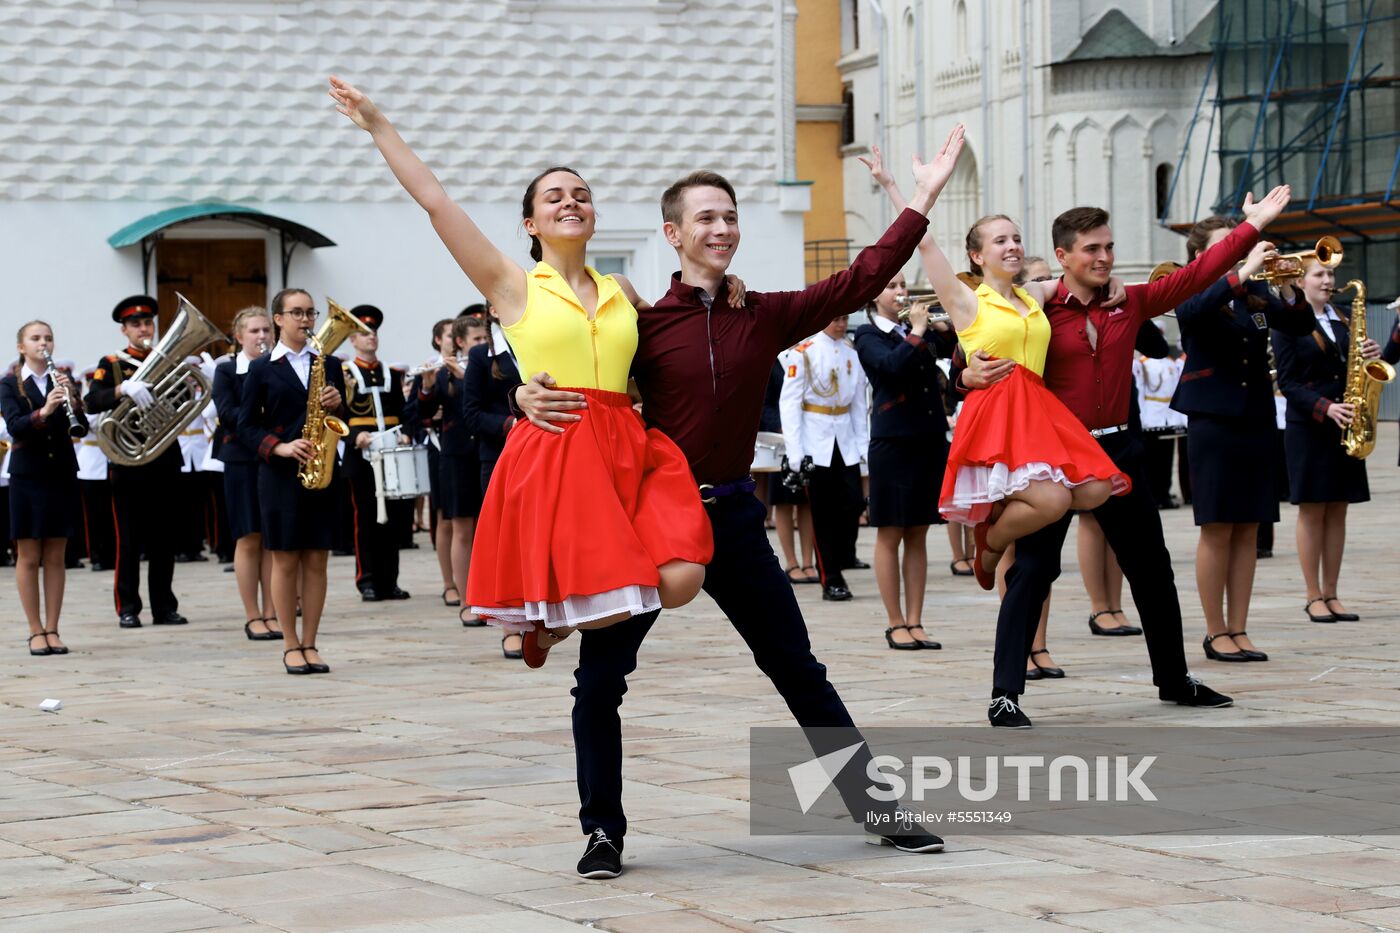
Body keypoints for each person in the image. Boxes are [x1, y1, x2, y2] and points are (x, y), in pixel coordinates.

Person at [515, 145, 961, 875]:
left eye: (729, 216)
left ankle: (877, 809)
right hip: (656, 520)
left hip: (734, 516)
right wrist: (520, 393)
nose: (721, 228)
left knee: (796, 666)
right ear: (673, 234)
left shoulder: (764, 315)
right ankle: (603, 831)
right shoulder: (640, 322)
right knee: (602, 679)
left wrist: (922, 197)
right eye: (705, 218)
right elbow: (574, 373)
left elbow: (862, 277)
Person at [330, 76, 713, 670]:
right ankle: (551, 628)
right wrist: (379, 126)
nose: (570, 201)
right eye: (554, 196)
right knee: (605, 605)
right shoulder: (512, 286)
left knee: (683, 577)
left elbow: (673, 344)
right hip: (562, 446)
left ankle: (556, 627)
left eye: (581, 194)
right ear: (531, 223)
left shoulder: (624, 291)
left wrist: (727, 288)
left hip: (627, 443)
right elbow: (438, 203)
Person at [961, 185, 1293, 726]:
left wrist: (1250, 227)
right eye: (1091, 249)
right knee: (1034, 571)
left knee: (1153, 569)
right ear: (1063, 256)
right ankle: (1005, 693)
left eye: (1109, 247)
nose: (1104, 258)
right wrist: (963, 374)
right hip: (1054, 455)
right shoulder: (1034, 306)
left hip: (1118, 448)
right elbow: (974, 348)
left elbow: (1197, 275)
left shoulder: (1130, 300)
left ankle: (1174, 679)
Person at [863, 137, 1127, 598]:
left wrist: (1114, 277)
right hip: (1000, 415)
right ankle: (991, 542)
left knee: (1097, 490)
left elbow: (1080, 275)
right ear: (977, 256)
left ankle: (997, 531)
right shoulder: (967, 301)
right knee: (1053, 499)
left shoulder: (1035, 295)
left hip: (1041, 413)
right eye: (1000, 240)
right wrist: (896, 186)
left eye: (1017, 238)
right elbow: (922, 243)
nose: (1013, 246)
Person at [1171, 216, 1314, 662]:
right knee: (1217, 526)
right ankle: (1215, 631)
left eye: (1238, 245)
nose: (1235, 252)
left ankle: (1240, 627)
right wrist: (1244, 267)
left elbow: (1298, 323)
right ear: (1200, 256)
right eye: (1226, 246)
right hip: (1213, 419)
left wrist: (1289, 287)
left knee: (1249, 525)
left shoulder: (1253, 292)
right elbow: (1193, 315)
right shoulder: (1191, 289)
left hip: (1255, 418)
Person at [238, 287, 347, 675]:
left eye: (310, 313)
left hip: (321, 470)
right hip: (281, 476)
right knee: (284, 560)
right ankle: (289, 643)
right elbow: (245, 425)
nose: (305, 320)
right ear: (278, 320)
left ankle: (311, 643)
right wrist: (279, 447)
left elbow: (344, 418)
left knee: (317, 559)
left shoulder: (329, 364)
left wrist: (338, 405)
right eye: (296, 313)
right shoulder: (261, 368)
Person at [1273, 255, 1386, 625]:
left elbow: (1353, 366)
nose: (1327, 279)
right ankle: (1312, 595)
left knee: (1338, 508)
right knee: (1312, 509)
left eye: (1330, 273)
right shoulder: (1289, 322)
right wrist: (1326, 407)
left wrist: (1371, 353)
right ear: (1301, 282)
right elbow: (1286, 382)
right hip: (1310, 426)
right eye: (1319, 274)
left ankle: (1333, 592)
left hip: (1346, 424)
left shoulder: (1344, 318)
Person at [853, 272, 949, 649]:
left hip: (927, 438)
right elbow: (892, 367)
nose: (901, 293)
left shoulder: (918, 328)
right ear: (874, 295)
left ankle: (916, 620)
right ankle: (895, 622)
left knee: (919, 531)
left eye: (903, 286)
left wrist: (938, 328)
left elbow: (951, 348)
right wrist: (918, 331)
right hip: (892, 443)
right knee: (891, 531)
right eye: (892, 287)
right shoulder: (867, 334)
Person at [84, 296, 189, 629]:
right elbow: (91, 402)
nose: (144, 329)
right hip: (127, 462)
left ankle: (164, 607)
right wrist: (122, 390)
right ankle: (128, 607)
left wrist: (183, 381)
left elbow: (184, 400)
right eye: (136, 324)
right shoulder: (112, 363)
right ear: (124, 330)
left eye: (147, 323)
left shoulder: (168, 359)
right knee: (128, 540)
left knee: (164, 540)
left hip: (163, 458)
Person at [2, 321, 83, 656]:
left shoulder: (63, 379)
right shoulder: (9, 384)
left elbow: (81, 426)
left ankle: (53, 628)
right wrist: (45, 409)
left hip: (61, 472)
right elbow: (16, 428)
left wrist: (73, 400)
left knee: (55, 554)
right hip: (27, 475)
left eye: (48, 338)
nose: (43, 343)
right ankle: (35, 630)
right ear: (22, 347)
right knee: (28, 554)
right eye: (35, 338)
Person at [779, 314, 868, 602]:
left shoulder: (851, 353)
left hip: (844, 439)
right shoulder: (803, 353)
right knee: (822, 513)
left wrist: (864, 445)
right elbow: (790, 404)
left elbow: (858, 403)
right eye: (835, 319)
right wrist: (795, 452)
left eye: (844, 319)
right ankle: (830, 576)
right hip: (814, 441)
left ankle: (838, 557)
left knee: (854, 503)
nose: (841, 325)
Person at [211, 307, 279, 641]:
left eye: (266, 330)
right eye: (254, 331)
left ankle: (273, 611)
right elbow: (227, 413)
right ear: (239, 336)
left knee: (271, 537)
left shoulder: (277, 367)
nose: (262, 336)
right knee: (248, 535)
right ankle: (253, 615)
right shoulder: (226, 371)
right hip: (241, 458)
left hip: (274, 459)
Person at [341, 303, 415, 602]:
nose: (370, 337)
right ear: (352, 340)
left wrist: (408, 430)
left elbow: (405, 410)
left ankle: (390, 581)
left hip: (391, 454)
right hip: (362, 457)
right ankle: (367, 580)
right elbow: (338, 416)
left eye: (373, 332)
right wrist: (356, 436)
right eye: (363, 332)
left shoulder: (392, 374)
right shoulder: (344, 373)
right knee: (366, 520)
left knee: (393, 520)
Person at [462, 306, 523, 657]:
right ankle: (511, 626)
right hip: (499, 455)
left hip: (543, 451)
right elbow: (471, 413)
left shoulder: (540, 338)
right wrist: (511, 425)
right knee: (506, 542)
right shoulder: (481, 354)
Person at [421, 315, 488, 626]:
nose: (482, 344)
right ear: (460, 342)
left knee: (489, 529)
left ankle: (490, 595)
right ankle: (465, 599)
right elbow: (422, 413)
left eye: (483, 338)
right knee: (462, 528)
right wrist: (426, 386)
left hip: (486, 453)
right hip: (456, 455)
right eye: (475, 340)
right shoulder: (446, 373)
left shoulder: (491, 366)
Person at [412, 318, 457, 606]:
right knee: (445, 517)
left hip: (469, 448)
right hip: (441, 449)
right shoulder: (432, 368)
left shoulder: (471, 365)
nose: (456, 339)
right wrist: (428, 392)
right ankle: (449, 583)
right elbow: (418, 414)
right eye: (451, 335)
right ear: (438, 340)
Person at [769, 354, 819, 583]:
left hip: (807, 437)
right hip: (780, 441)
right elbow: (761, 402)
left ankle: (808, 561)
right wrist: (778, 425)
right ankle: (791, 562)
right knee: (784, 501)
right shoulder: (770, 358)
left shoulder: (807, 354)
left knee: (807, 502)